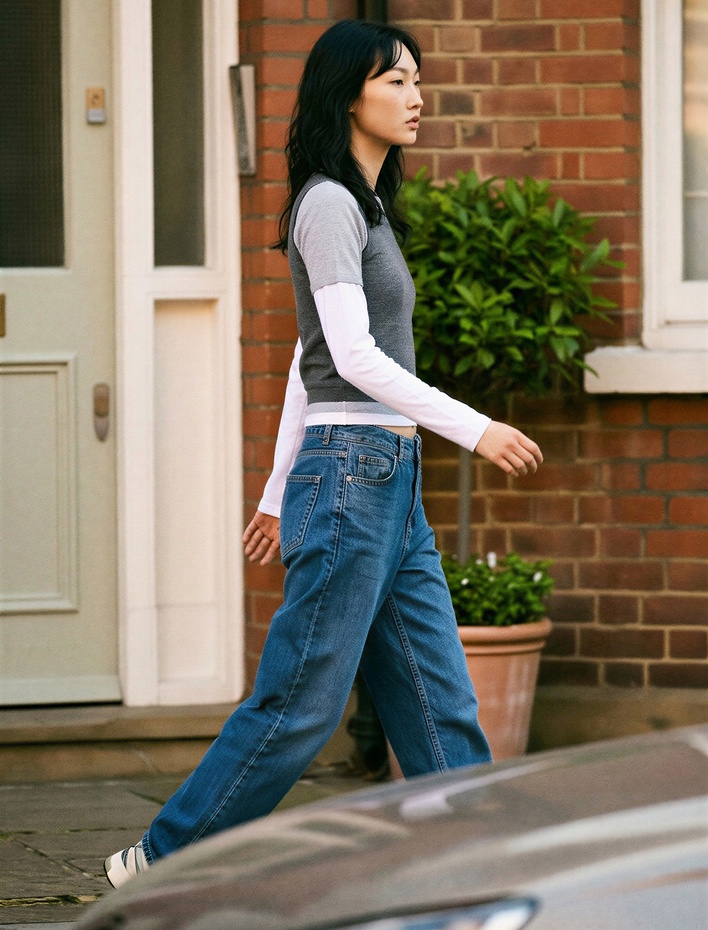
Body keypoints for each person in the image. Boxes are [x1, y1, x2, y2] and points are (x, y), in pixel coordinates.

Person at [104, 18, 542, 888]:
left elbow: (305, 367)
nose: (416, 97)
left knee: (437, 697)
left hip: (381, 479)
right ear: (348, 96)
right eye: (396, 81)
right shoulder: (330, 204)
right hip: (354, 475)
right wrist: (475, 428)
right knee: (302, 700)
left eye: (417, 80)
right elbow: (349, 359)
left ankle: (482, 865)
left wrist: (276, 492)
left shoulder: (364, 206)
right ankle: (164, 858)